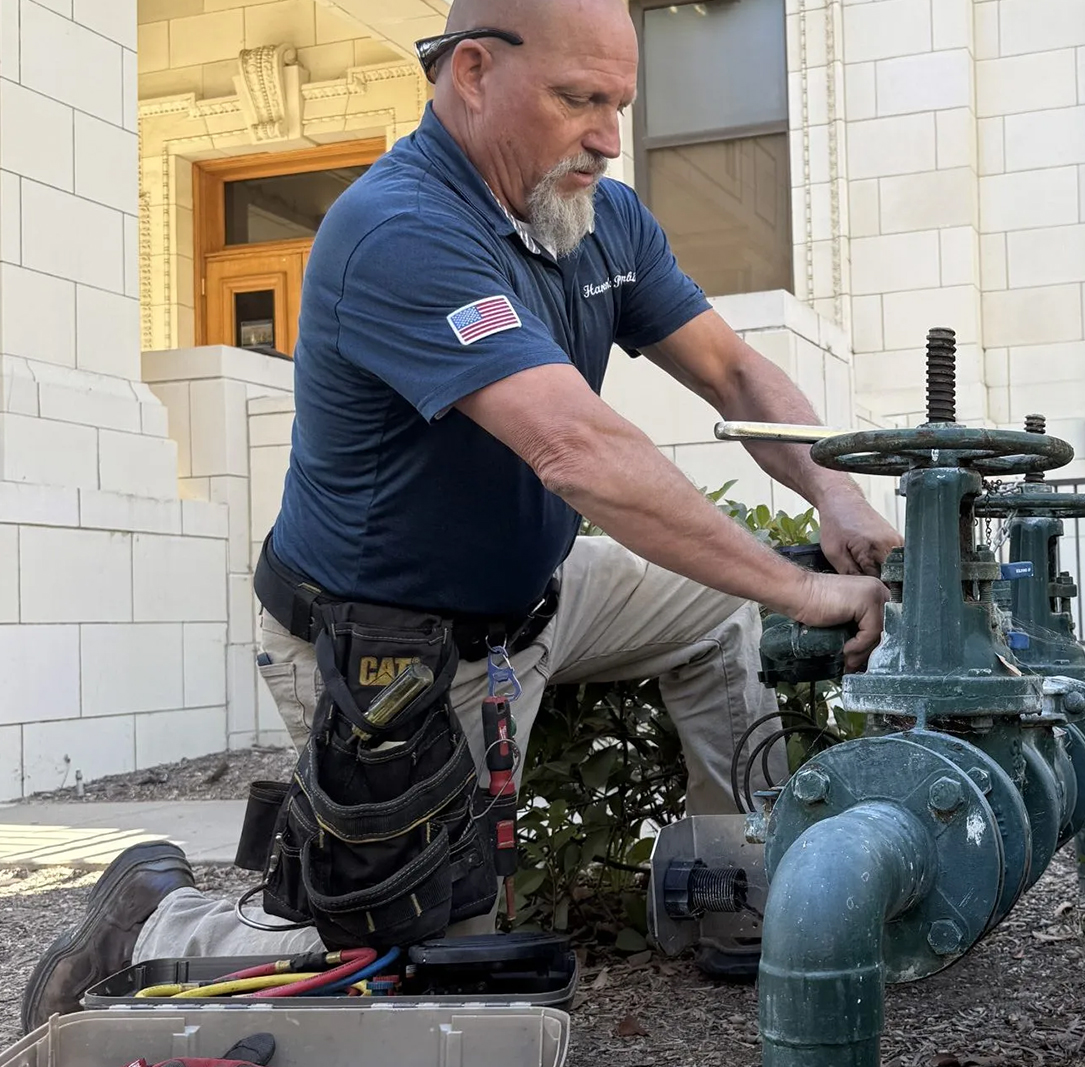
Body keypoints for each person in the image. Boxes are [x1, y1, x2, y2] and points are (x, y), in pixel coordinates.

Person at [20, 0, 898, 1030]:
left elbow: (735, 368)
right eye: (579, 99)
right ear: (472, 72)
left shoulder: (598, 215)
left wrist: (835, 489)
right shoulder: (400, 228)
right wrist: (801, 583)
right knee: (423, 970)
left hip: (538, 595)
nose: (609, 136)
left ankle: (734, 885)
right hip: (392, 641)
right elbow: (576, 446)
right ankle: (154, 924)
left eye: (619, 102)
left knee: (714, 609)